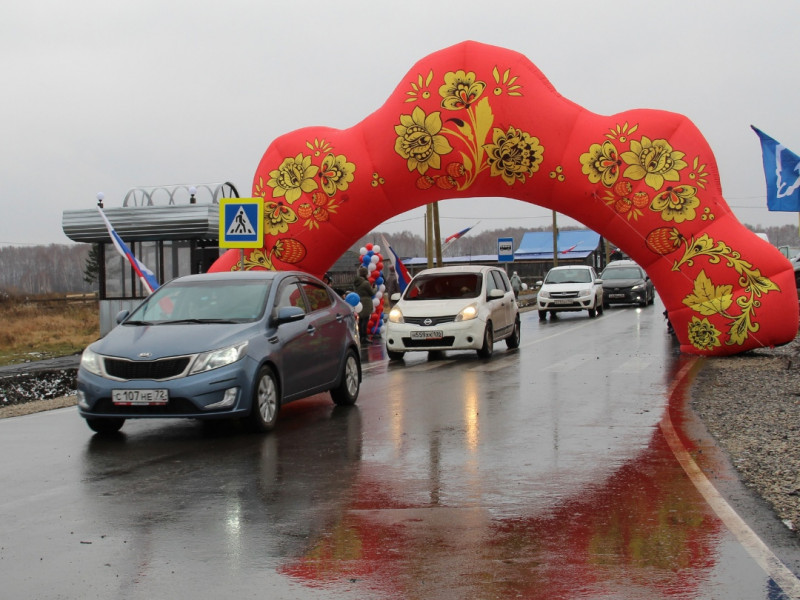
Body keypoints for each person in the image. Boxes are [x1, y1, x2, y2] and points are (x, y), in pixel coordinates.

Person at [353, 266, 376, 342]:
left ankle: (360, 336)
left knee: (361, 321)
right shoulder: (366, 283)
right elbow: (372, 293)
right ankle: (364, 337)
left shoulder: (356, 283)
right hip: (366, 303)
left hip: (359, 302)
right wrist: (375, 288)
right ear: (365, 274)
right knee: (365, 321)